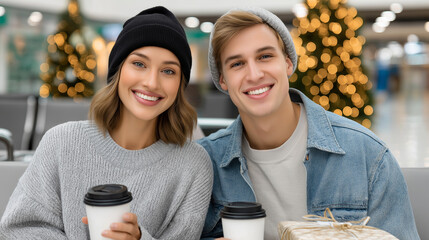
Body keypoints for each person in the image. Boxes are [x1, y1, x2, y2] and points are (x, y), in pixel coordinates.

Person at [197, 6, 420, 240]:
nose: (254, 74)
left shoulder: (367, 155)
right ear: (223, 80)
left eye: (265, 56)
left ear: (288, 63)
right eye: (237, 64)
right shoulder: (204, 164)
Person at [0, 6, 213, 240]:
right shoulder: (61, 142)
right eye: (139, 64)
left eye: (168, 71)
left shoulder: (194, 165)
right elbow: (18, 229)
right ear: (117, 70)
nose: (152, 82)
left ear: (180, 85)